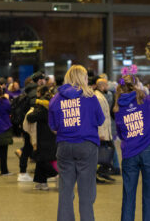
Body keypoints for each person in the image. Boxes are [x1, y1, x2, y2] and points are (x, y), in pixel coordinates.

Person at [48, 65, 105, 221]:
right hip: (87, 146)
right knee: (86, 192)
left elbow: (53, 126)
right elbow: (100, 120)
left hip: (64, 146)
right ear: (83, 78)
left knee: (65, 191)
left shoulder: (55, 99)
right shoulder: (90, 97)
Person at [114, 74, 150, 221]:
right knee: (149, 195)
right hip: (149, 149)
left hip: (129, 152)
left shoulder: (118, 106)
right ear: (137, 85)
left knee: (128, 195)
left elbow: (120, 133)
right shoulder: (148, 100)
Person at [25, 86, 58, 190]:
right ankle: (41, 182)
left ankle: (56, 174)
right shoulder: (52, 102)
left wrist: (31, 111)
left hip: (43, 136)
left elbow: (31, 118)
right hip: (51, 135)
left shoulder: (42, 105)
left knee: (42, 159)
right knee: (40, 160)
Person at [94, 78, 116, 183]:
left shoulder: (101, 96)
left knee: (107, 152)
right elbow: (97, 116)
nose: (108, 87)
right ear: (102, 86)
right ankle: (99, 173)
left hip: (105, 131)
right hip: (101, 132)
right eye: (106, 85)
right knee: (103, 153)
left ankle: (102, 172)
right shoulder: (98, 98)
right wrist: (100, 133)